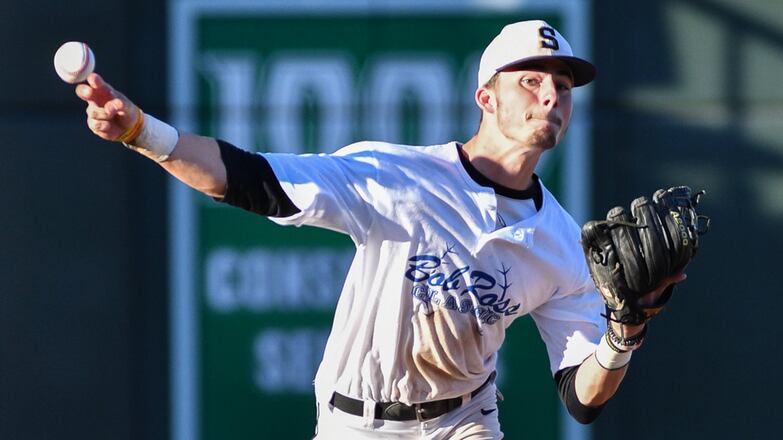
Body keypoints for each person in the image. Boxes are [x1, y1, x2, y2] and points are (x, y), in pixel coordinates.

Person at [77, 20, 684, 439]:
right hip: (353, 423)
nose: (550, 94)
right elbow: (248, 179)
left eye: (562, 85)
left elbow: (581, 398)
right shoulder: (399, 176)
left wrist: (623, 335)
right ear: (486, 98)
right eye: (530, 79)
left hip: (462, 424)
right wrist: (141, 132)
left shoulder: (559, 242)